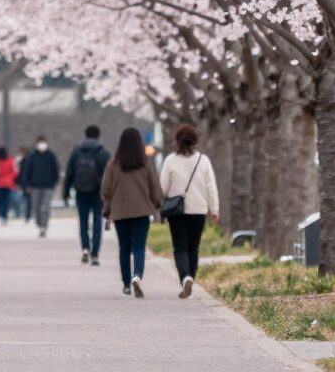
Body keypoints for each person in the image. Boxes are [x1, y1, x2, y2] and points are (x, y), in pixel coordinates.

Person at [157, 123, 221, 298]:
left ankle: (185, 277)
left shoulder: (170, 160)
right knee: (194, 248)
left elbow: (162, 187)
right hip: (199, 210)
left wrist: (159, 203)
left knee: (180, 247)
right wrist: (214, 209)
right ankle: (191, 277)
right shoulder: (203, 160)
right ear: (195, 140)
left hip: (177, 212)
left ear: (177, 140)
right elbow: (211, 187)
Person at [102, 127, 162, 298]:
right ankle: (137, 276)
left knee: (124, 248)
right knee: (139, 247)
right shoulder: (145, 165)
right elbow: (155, 189)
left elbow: (106, 190)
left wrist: (107, 209)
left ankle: (126, 284)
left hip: (120, 213)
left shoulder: (113, 165)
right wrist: (157, 204)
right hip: (141, 212)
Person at [63, 125, 111, 265]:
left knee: (83, 221)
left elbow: (69, 173)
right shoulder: (103, 152)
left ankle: (85, 248)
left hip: (81, 191)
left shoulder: (76, 151)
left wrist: (66, 192)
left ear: (85, 135)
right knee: (97, 221)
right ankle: (95, 253)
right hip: (98, 193)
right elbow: (109, 175)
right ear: (98, 135)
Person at [19, 134, 60, 236]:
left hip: (48, 186)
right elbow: (26, 171)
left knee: (45, 207)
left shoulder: (51, 155)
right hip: (35, 186)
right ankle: (39, 224)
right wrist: (26, 185)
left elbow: (56, 170)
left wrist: (55, 182)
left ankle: (44, 226)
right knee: (36, 207)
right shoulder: (32, 156)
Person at [0, 147, 18, 221]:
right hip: (8, 184)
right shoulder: (11, 161)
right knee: (6, 200)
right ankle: (4, 215)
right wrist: (10, 179)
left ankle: (1, 214)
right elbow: (15, 172)